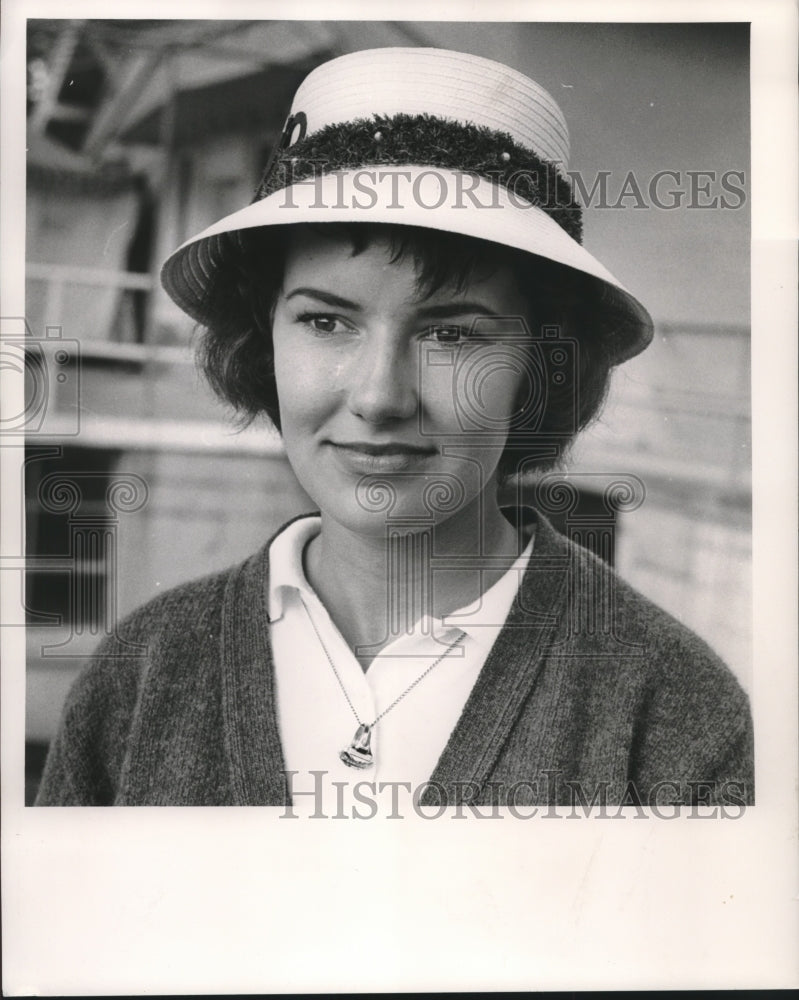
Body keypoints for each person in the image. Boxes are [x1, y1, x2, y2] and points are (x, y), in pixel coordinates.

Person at [36, 47, 753, 810]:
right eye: (324, 321)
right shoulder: (141, 674)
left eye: (452, 335)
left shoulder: (672, 711)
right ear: (263, 339)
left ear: (542, 365)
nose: (379, 396)